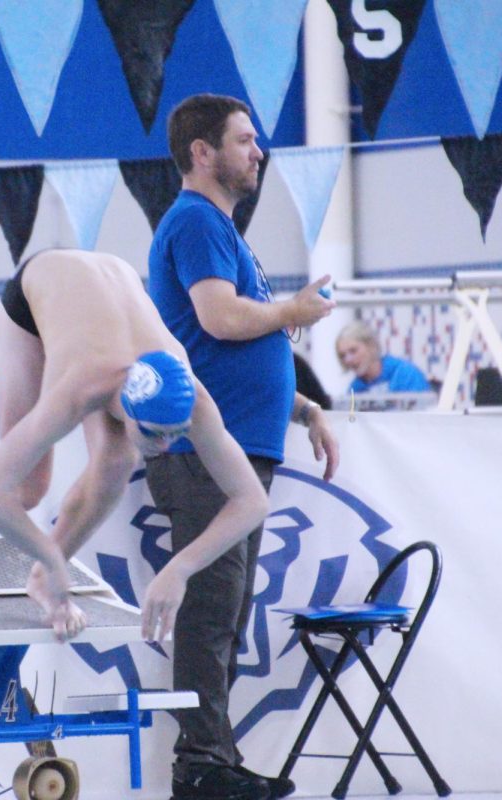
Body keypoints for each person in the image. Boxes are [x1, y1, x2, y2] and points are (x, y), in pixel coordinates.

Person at [0, 248, 270, 643]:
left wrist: (181, 568)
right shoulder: (80, 386)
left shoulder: (194, 401)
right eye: (154, 433)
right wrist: (51, 558)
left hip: (111, 282)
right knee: (27, 489)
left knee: (117, 462)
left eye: (178, 433)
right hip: (41, 289)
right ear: (128, 406)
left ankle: (40, 582)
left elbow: (252, 501)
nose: (167, 446)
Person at [147, 93, 341, 800]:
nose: (258, 151)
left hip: (233, 449)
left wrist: (303, 406)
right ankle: (199, 767)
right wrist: (293, 309)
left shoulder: (219, 229)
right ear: (203, 152)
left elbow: (214, 350)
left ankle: (213, 760)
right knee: (210, 610)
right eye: (244, 140)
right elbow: (220, 320)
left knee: (225, 612)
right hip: (205, 455)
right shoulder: (196, 220)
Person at [336, 320, 432, 394]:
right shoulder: (355, 389)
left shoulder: (405, 374)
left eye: (353, 351)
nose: (348, 360)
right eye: (343, 355)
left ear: (371, 346)